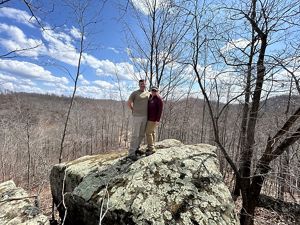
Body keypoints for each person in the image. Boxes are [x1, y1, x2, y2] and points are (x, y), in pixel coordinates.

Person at [127, 79, 150, 160]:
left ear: (145, 84)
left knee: (141, 134)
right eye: (141, 84)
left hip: (145, 116)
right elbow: (129, 103)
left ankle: (137, 149)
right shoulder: (135, 93)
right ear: (139, 85)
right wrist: (133, 110)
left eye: (144, 84)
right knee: (135, 135)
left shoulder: (148, 93)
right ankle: (131, 153)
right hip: (137, 117)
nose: (142, 85)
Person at [145, 86, 163, 156]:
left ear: (157, 91)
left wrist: (157, 120)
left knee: (148, 132)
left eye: (155, 91)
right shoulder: (150, 97)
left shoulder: (158, 99)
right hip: (149, 118)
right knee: (152, 132)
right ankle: (153, 145)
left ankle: (151, 149)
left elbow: (160, 110)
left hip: (153, 119)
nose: (153, 92)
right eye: (152, 90)